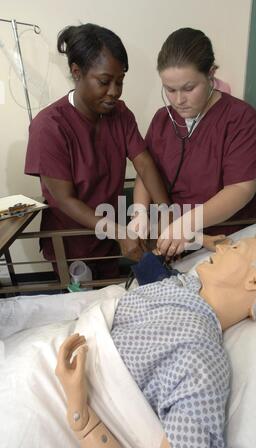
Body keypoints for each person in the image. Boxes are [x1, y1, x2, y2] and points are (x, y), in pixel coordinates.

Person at [55, 232, 256, 448]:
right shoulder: (184, 286)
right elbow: (152, 262)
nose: (221, 248)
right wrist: (197, 238)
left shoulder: (201, 359)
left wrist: (82, 419)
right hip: (61, 340)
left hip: (57, 395)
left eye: (235, 249)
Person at [24, 23, 170, 279]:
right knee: (81, 307)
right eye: (104, 81)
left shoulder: (120, 114)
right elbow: (65, 200)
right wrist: (118, 231)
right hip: (71, 243)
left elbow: (144, 163)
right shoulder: (49, 127)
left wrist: (167, 215)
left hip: (108, 238)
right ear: (77, 72)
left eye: (120, 82)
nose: (114, 92)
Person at [130, 28, 256, 259]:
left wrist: (187, 223)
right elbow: (146, 171)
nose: (178, 100)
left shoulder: (240, 118)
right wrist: (139, 212)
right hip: (176, 241)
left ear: (211, 74)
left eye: (188, 88)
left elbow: (241, 188)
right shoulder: (161, 119)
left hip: (228, 240)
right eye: (170, 89)